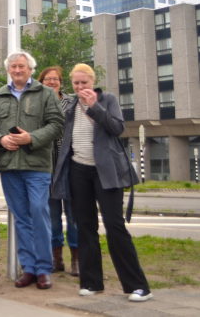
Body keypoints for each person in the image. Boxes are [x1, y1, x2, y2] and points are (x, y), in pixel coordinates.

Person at [51, 64, 152, 302]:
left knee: (114, 226)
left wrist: (94, 107)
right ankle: (91, 282)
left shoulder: (107, 100)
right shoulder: (71, 106)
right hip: (78, 170)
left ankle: (138, 286)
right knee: (85, 226)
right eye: (76, 83)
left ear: (92, 82)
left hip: (106, 172)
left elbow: (117, 128)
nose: (80, 87)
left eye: (84, 83)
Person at [0, 51, 63, 290]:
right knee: (22, 219)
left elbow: (57, 124)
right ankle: (29, 268)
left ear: (30, 69)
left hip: (37, 166)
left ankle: (44, 269)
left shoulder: (45, 94)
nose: (17, 70)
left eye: (21, 66)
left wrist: (31, 138)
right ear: (9, 70)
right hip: (9, 167)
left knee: (39, 212)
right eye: (13, 67)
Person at [38, 66, 78, 276]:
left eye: (55, 79)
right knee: (53, 216)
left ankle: (76, 259)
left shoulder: (72, 103)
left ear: (61, 82)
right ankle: (57, 258)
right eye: (47, 79)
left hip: (70, 165)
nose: (52, 82)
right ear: (41, 82)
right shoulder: (37, 104)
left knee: (73, 216)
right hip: (48, 166)